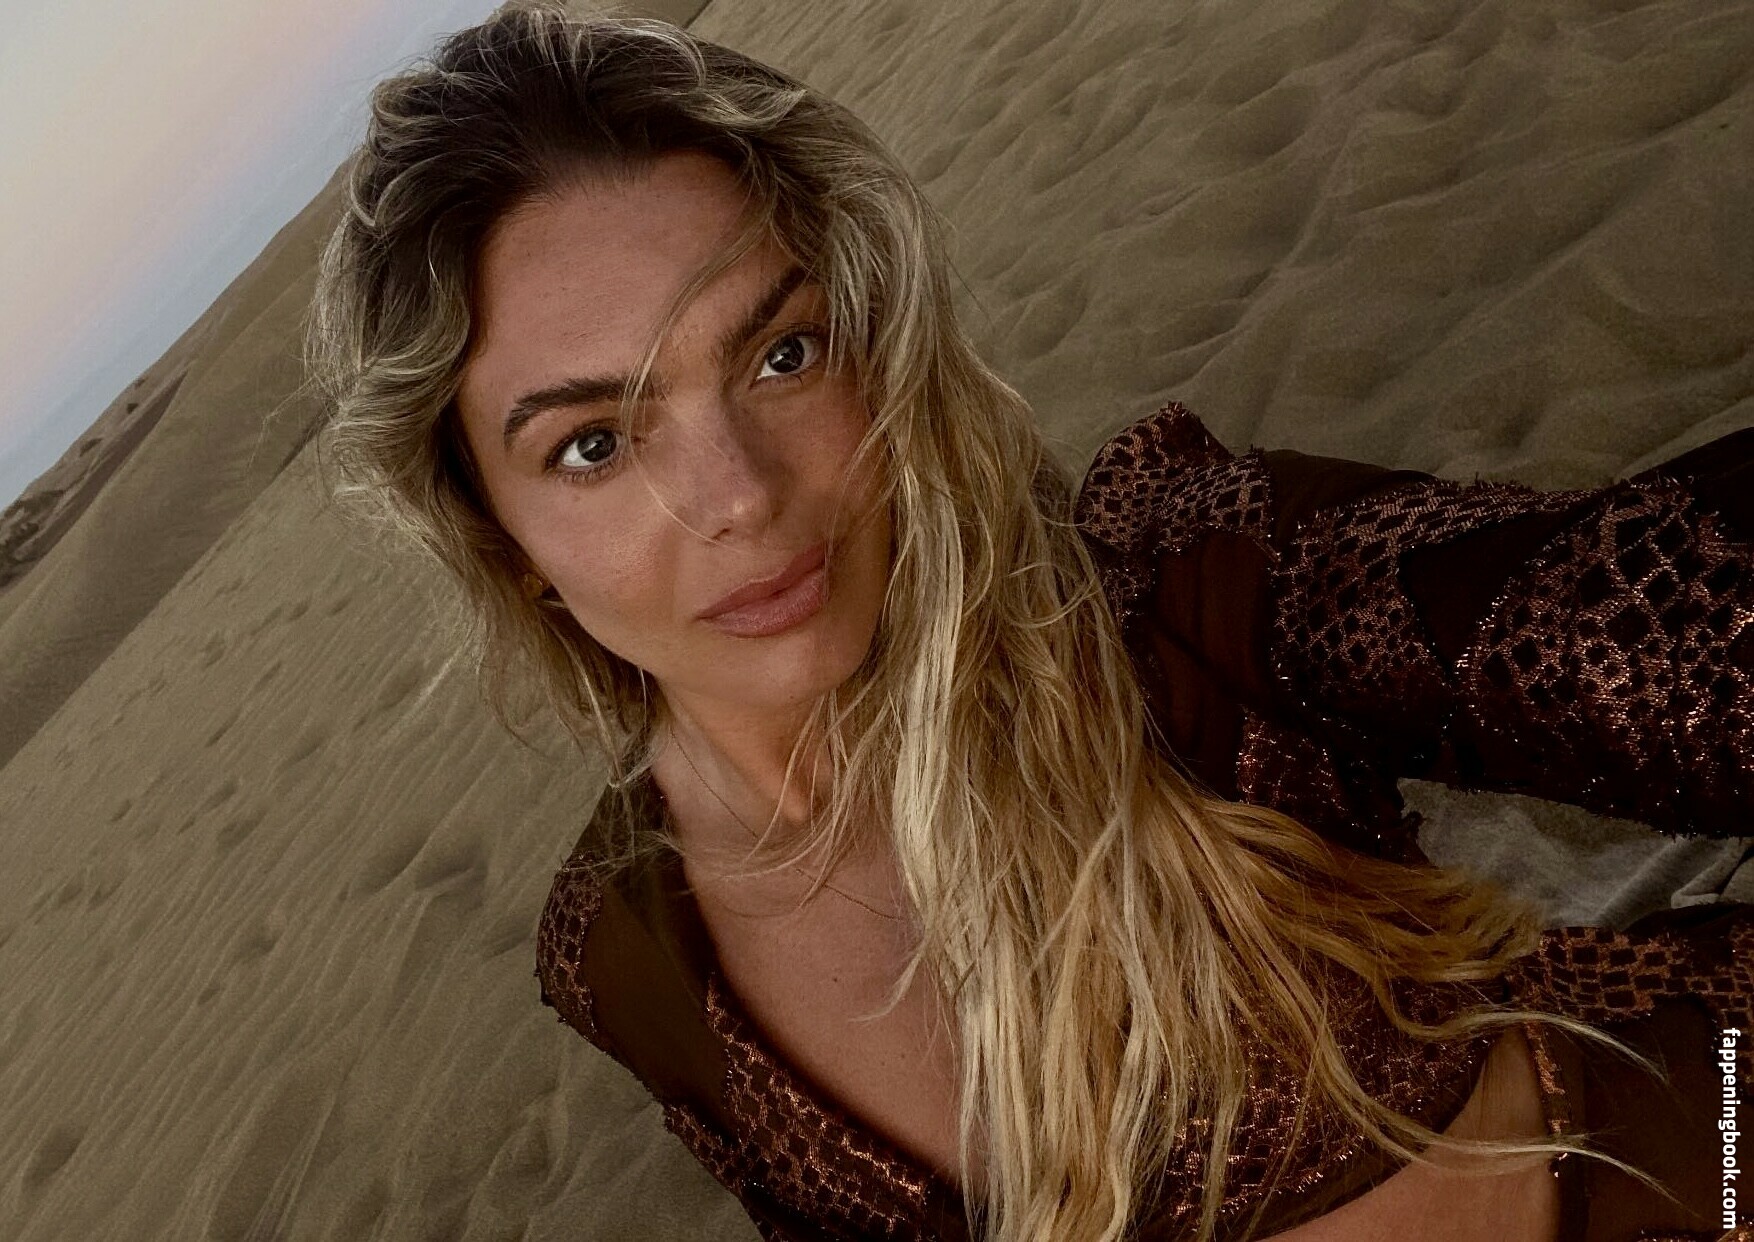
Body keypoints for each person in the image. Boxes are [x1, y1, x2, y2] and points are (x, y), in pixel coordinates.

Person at [306, 6, 1753, 1240]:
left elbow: (1636, 613)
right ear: (501, 542)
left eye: (781, 353)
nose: (740, 494)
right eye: (591, 445)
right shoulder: (627, 952)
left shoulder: (1170, 590)